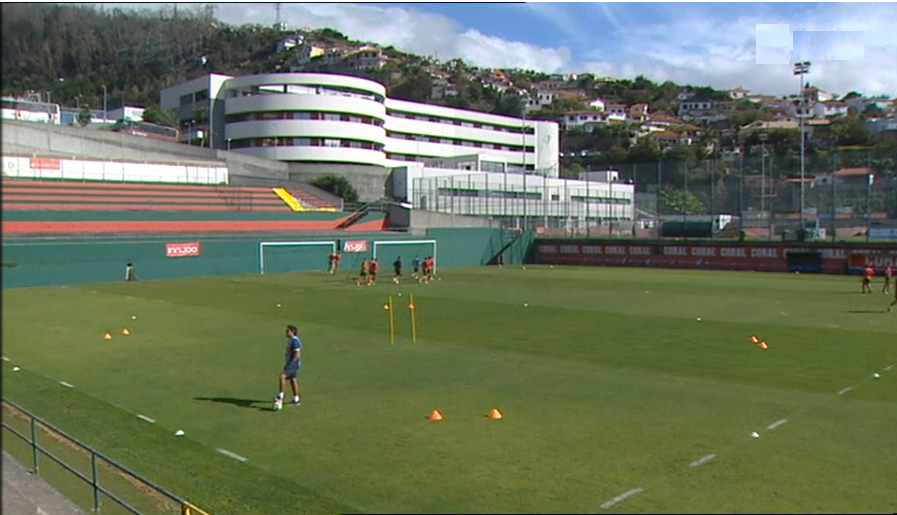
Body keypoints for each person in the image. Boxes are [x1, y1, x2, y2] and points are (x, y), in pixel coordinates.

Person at [274, 325, 302, 411]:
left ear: (292, 332)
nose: (286, 332)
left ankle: (281, 395)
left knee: (282, 376)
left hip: (293, 364)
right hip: (291, 364)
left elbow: (297, 354)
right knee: (293, 379)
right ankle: (296, 399)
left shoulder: (295, 341)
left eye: (288, 331)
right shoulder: (291, 340)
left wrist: (291, 364)